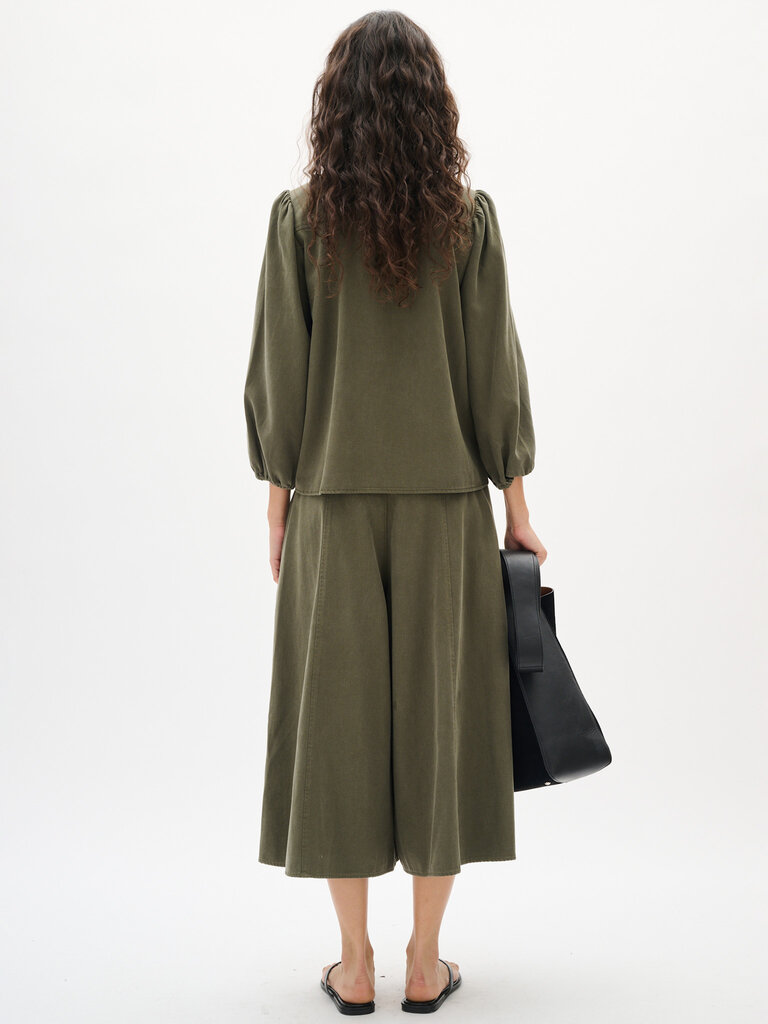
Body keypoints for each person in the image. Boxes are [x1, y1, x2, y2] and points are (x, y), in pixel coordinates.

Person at [243, 10, 547, 1016]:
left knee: (338, 731)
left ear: (333, 108)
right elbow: (495, 375)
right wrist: (517, 504)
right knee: (440, 730)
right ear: (432, 107)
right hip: (446, 512)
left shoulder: (301, 223)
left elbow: (281, 375)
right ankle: (425, 960)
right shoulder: (467, 223)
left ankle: (353, 963)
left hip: (332, 508)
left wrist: (279, 497)